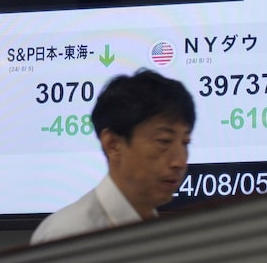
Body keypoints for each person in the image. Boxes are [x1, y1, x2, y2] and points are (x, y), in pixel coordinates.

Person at [30, 69, 196, 245]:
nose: (179, 162)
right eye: (164, 141)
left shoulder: (166, 237)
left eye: (185, 143)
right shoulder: (67, 234)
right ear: (113, 144)